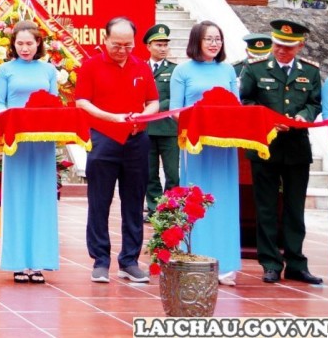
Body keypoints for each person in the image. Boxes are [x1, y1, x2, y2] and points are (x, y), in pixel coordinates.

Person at [74, 17, 158, 284]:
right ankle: (100, 261)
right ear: (105, 40)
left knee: (134, 203)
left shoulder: (141, 67)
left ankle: (130, 261)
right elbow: (82, 102)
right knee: (99, 201)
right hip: (103, 139)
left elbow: (153, 101)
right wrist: (111, 117)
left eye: (128, 45)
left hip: (136, 139)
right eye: (117, 45)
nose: (122, 50)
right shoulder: (91, 66)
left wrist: (141, 116)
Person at [239, 19, 323, 285]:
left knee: (294, 208)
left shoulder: (309, 72)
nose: (281, 50)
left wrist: (300, 116)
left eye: (288, 46)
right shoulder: (255, 68)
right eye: (278, 45)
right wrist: (267, 119)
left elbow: (314, 103)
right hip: (266, 146)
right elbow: (247, 101)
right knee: (266, 208)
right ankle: (271, 262)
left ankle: (296, 262)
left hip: (297, 147)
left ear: (300, 46)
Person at [170, 21, 240, 285]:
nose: (214, 44)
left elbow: (236, 106)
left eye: (218, 39)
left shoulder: (228, 69)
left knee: (224, 200)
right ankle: (196, 257)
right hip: (196, 146)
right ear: (196, 41)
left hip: (224, 146)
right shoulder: (182, 70)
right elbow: (176, 110)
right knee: (197, 200)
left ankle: (226, 263)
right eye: (209, 39)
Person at [0, 20, 60, 284]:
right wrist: (6, 120)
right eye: (19, 43)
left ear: (39, 44)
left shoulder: (49, 70)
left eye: (29, 43)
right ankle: (18, 262)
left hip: (43, 140)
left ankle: (40, 261)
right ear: (13, 45)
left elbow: (54, 104)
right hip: (16, 140)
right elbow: (0, 101)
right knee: (17, 196)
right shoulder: (5, 70)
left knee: (43, 197)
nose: (24, 48)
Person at [143, 24, 178, 217]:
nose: (163, 48)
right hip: (147, 129)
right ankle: (155, 208)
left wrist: (154, 106)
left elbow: (175, 97)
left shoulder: (175, 70)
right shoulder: (140, 68)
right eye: (158, 44)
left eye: (165, 45)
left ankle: (170, 209)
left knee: (172, 172)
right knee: (150, 172)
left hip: (168, 127)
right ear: (149, 46)